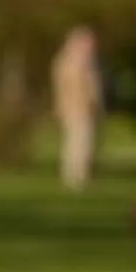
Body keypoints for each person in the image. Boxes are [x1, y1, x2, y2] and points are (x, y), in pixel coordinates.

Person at [52, 25, 105, 190]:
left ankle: (82, 175)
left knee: (86, 142)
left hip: (87, 109)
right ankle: (74, 178)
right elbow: (64, 87)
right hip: (74, 108)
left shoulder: (88, 63)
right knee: (76, 142)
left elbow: (95, 88)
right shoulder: (67, 62)